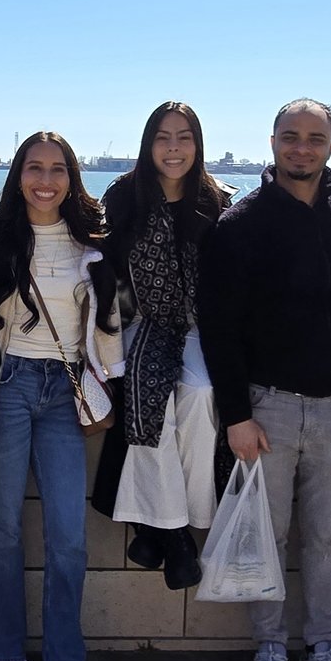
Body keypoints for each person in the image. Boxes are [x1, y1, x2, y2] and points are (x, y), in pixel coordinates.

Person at [199, 98, 331, 661]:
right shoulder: (240, 223)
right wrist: (236, 415)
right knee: (265, 538)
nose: (303, 148)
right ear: (272, 141)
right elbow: (217, 328)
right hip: (266, 409)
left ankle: (322, 650)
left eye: (315, 138)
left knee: (325, 540)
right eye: (291, 136)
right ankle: (269, 650)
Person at [0, 131, 123, 661]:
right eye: (34, 168)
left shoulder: (96, 241)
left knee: (69, 535)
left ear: (72, 178)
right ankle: (1, 656)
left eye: (57, 169)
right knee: (1, 529)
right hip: (7, 386)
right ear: (17, 175)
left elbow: (113, 317)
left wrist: (109, 375)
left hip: (66, 391)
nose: (46, 179)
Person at [100, 101, 233, 590]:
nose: (173, 147)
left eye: (184, 137)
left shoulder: (218, 202)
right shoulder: (122, 198)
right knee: (149, 395)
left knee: (199, 393)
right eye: (162, 136)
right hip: (141, 321)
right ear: (147, 142)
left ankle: (167, 521)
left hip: (199, 325)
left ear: (197, 145)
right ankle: (176, 537)